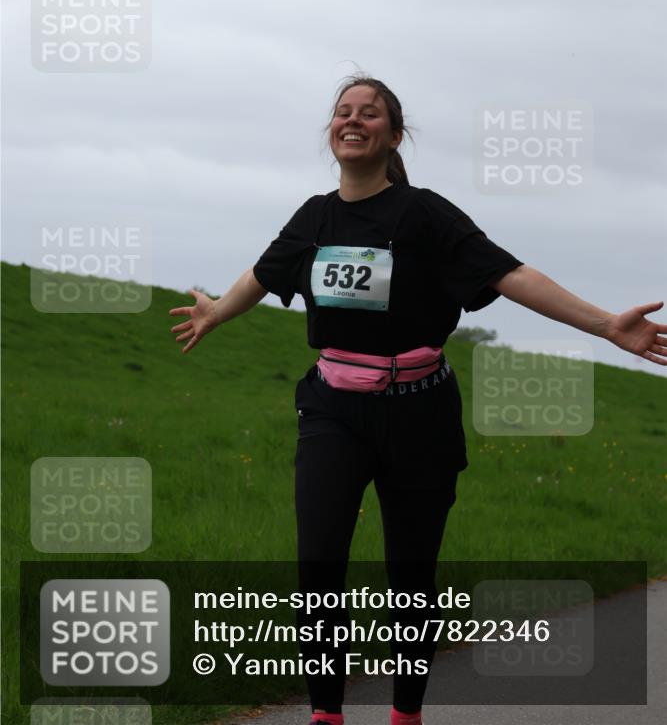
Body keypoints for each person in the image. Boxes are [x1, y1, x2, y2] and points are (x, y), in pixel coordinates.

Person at [169, 75, 666, 725]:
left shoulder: (422, 213)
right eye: (343, 112)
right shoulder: (314, 217)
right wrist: (216, 313)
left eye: (369, 113)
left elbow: (509, 274)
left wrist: (605, 325)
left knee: (410, 576)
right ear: (331, 131)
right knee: (317, 566)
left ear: (392, 134)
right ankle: (326, 715)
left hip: (419, 413)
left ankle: (406, 713)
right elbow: (262, 275)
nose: (353, 120)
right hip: (331, 412)